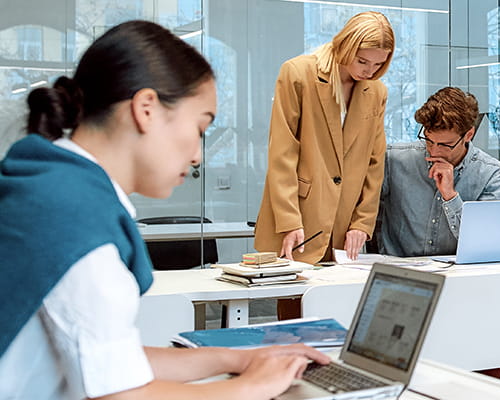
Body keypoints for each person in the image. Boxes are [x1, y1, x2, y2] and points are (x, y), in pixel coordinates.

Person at [0, 20, 329, 399]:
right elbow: (119, 395)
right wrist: (251, 387)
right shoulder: (74, 219)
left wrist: (237, 360)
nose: (196, 155)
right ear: (146, 109)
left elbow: (110, 361)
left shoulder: (47, 188)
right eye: (200, 128)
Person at [255, 11, 394, 264]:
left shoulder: (376, 91)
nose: (370, 71)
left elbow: (375, 163)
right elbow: (282, 154)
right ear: (346, 45)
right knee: (296, 302)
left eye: (378, 65)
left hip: (344, 229)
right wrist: (289, 220)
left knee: (339, 302)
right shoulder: (298, 73)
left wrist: (362, 223)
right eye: (363, 61)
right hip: (298, 221)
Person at [375, 87, 500, 258]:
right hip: (397, 270)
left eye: (445, 144)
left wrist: (450, 196)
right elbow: (364, 212)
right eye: (429, 141)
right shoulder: (394, 160)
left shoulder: (492, 174)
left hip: (458, 275)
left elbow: (482, 241)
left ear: (468, 135)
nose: (434, 151)